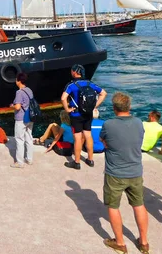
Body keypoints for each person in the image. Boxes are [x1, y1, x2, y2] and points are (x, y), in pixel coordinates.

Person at [99, 92, 149, 254]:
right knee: (139, 205)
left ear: (114, 108)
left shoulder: (109, 124)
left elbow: (103, 141)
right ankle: (144, 242)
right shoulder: (138, 122)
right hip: (135, 171)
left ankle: (120, 243)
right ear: (129, 107)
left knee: (113, 207)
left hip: (115, 172)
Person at [61, 64, 107, 169]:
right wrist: (95, 105)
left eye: (72, 70)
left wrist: (67, 109)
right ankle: (90, 160)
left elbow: (63, 98)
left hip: (76, 114)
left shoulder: (71, 85)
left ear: (75, 72)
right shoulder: (90, 83)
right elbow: (103, 93)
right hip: (88, 114)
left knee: (77, 137)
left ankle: (76, 162)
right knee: (88, 135)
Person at [10, 72, 34, 168]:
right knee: (29, 138)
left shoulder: (19, 92)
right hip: (30, 117)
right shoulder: (29, 90)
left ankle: (20, 162)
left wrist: (12, 106)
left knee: (19, 139)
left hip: (21, 118)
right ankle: (29, 159)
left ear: (19, 81)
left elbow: (18, 107)